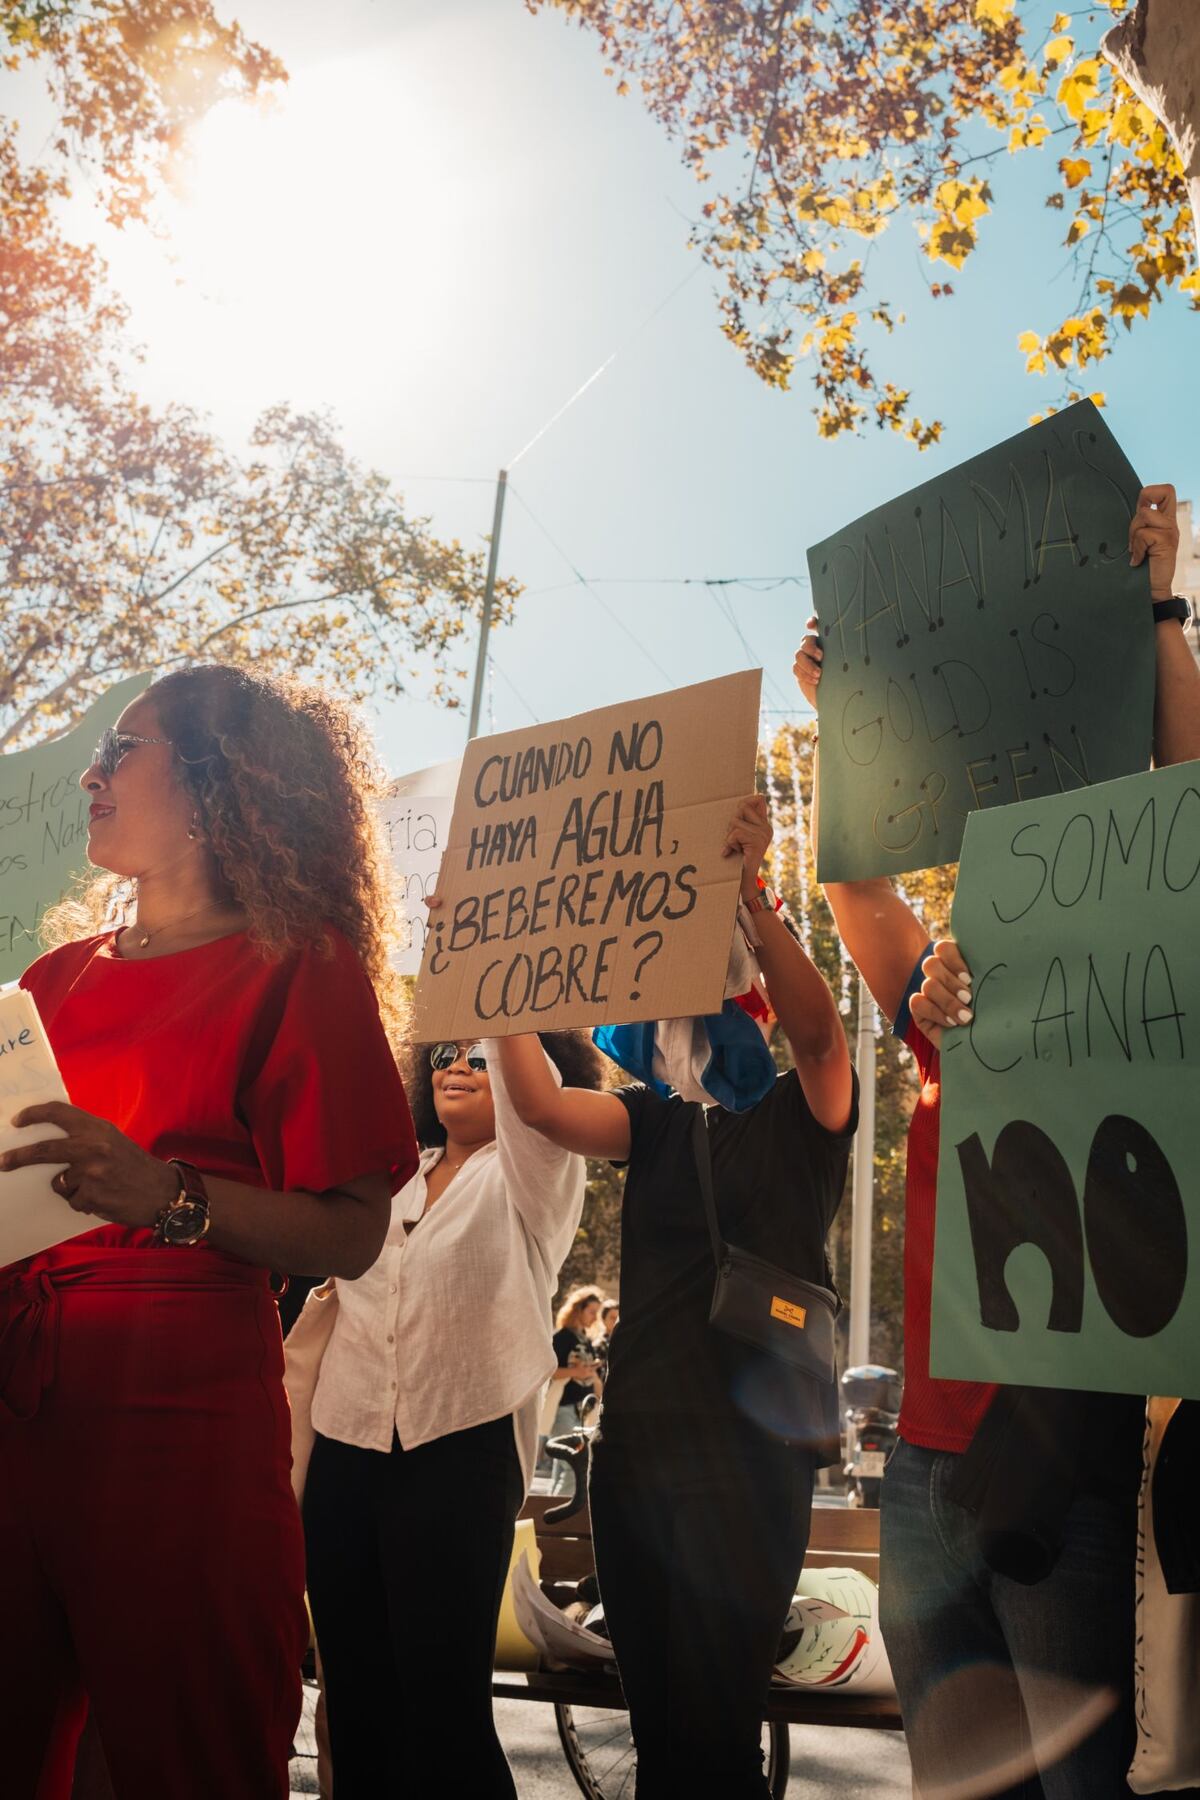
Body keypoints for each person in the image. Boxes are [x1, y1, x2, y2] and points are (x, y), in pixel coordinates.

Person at [793, 481, 1200, 1800]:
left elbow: (1186, 808)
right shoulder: (949, 1014)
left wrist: (1161, 610)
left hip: (1068, 1468)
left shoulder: (1151, 1021)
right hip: (920, 1470)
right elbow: (857, 889)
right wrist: (839, 722)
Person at [0, 663, 417, 1800]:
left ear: (214, 784)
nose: (90, 772)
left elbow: (351, 1233)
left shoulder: (299, 967)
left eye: (119, 749)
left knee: (189, 1750)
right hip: (17, 1403)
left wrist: (166, 1197)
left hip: (178, 1419)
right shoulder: (48, 980)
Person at [496, 793, 856, 1800]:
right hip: (638, 1463)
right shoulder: (652, 1126)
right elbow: (537, 1103)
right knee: (661, 1737)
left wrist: (752, 893)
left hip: (747, 1466)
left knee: (712, 1737)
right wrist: (490, 974)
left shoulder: (801, 1116)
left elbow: (824, 1040)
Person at [301, 1028, 603, 1799]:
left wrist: (490, 982)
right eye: (446, 1053)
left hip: (460, 1450)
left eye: (482, 1055)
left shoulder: (535, 1168)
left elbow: (533, 1100)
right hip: (345, 1445)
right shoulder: (391, 1177)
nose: (460, 1066)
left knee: (444, 1710)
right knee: (357, 1705)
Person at [547, 1286, 604, 1487]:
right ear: (578, 1309)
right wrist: (576, 1372)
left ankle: (551, 1512)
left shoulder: (586, 1340)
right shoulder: (561, 1337)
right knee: (573, 1469)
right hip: (563, 1408)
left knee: (564, 1468)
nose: (595, 1318)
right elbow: (548, 1371)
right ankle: (565, 1519)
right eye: (592, 1312)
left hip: (583, 1411)